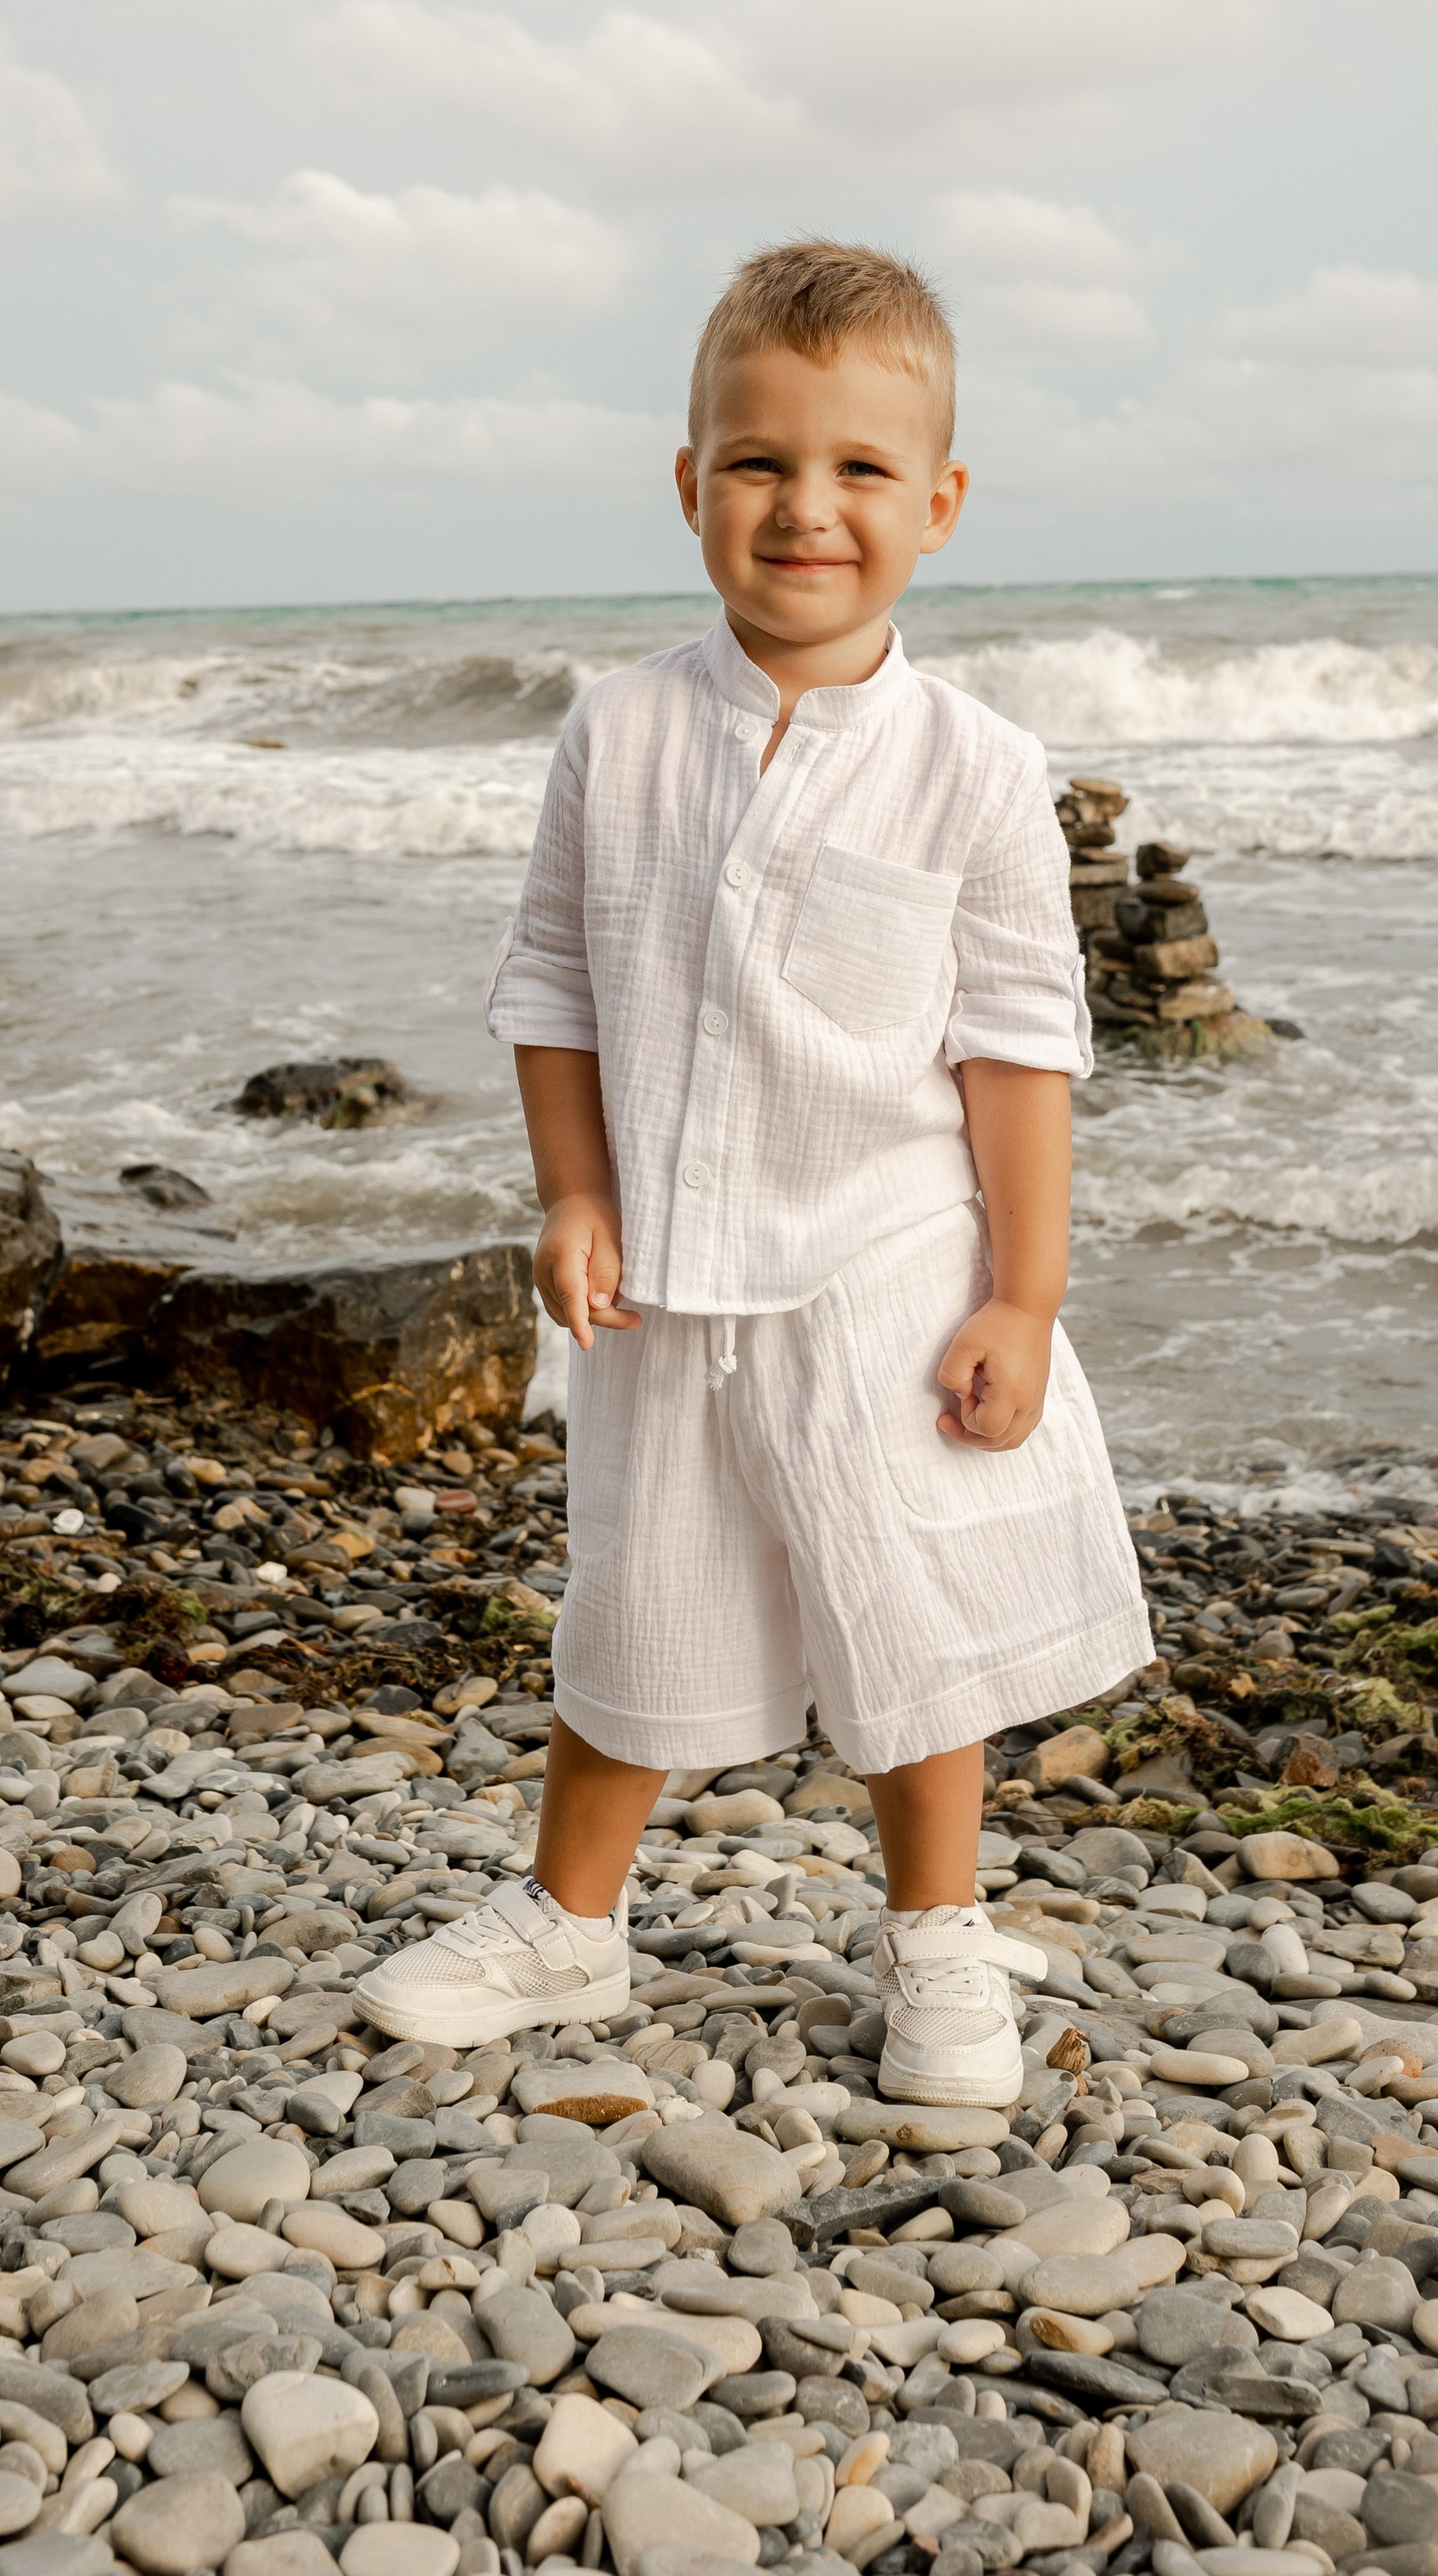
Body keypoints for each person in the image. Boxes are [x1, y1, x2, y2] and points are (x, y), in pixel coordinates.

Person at [353, 240, 1151, 2105]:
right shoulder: (616, 729)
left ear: (936, 505)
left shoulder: (974, 769)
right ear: (691, 484)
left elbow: (1019, 1048)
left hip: (884, 1246)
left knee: (905, 1601)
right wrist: (572, 1192)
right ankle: (567, 1924)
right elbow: (551, 977)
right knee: (630, 1593)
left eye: (860, 470)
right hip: (661, 1267)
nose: (806, 509)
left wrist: (1018, 1297)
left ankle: (940, 1940)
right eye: (759, 463)